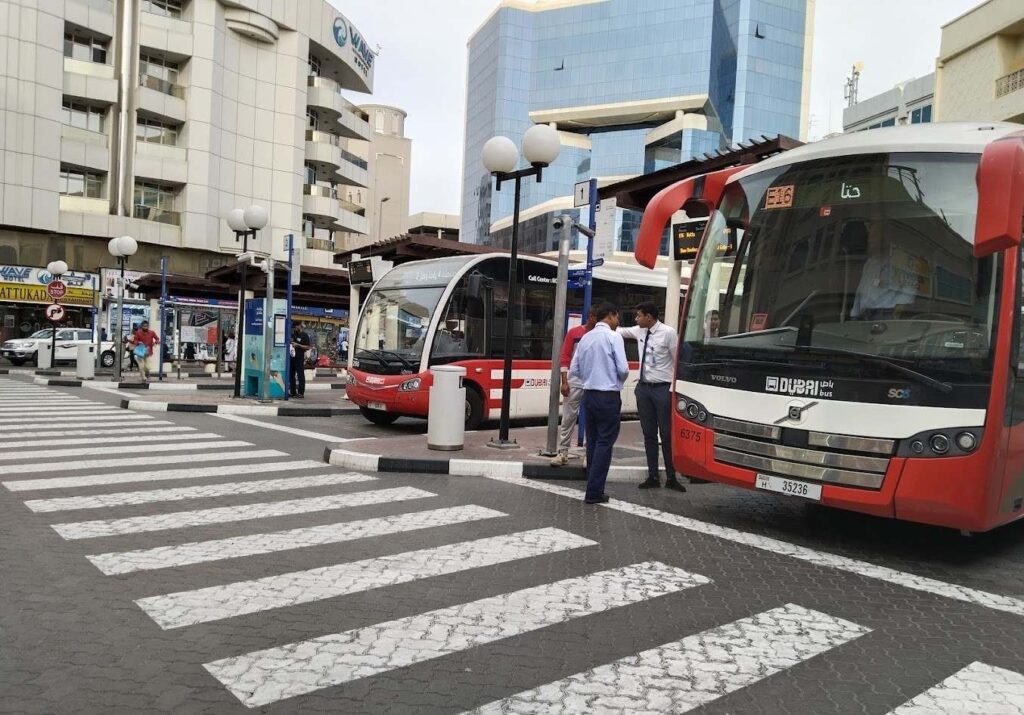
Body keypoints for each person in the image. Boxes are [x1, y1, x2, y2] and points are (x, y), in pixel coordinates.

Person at [618, 301, 686, 492]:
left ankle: (672, 476)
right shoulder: (640, 331)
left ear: (649, 317)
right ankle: (653, 475)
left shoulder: (668, 333)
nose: (636, 318)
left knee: (666, 433)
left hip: (662, 389)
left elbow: (676, 361)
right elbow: (620, 331)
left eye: (639, 315)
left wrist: (674, 389)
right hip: (644, 389)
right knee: (648, 434)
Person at [569, 302, 628, 505]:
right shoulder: (614, 337)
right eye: (617, 317)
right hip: (608, 396)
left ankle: (592, 487)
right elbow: (623, 369)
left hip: (589, 395)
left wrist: (590, 375)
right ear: (610, 315)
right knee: (605, 442)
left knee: (593, 442)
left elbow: (574, 369)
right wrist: (615, 380)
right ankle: (594, 491)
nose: (618, 322)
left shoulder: (585, 338)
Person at [550, 308, 598, 467]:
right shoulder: (574, 333)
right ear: (591, 317)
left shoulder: (600, 335)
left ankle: (587, 454)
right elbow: (565, 356)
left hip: (593, 381)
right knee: (568, 417)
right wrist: (565, 381)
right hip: (575, 380)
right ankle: (563, 452)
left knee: (591, 418)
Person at [851, 220, 915, 320]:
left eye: (874, 236)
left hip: (887, 317)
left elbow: (908, 294)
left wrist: (896, 315)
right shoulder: (870, 263)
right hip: (864, 317)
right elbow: (860, 292)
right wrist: (854, 315)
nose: (869, 240)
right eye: (869, 236)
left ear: (886, 238)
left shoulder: (903, 261)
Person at [289, 323, 311, 397]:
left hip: (299, 357)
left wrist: (298, 345)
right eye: (294, 327)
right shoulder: (292, 335)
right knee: (291, 375)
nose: (295, 329)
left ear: (299, 326)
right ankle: (293, 392)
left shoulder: (304, 335)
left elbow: (308, 347)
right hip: (292, 357)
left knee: (300, 375)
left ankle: (301, 393)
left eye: (295, 327)